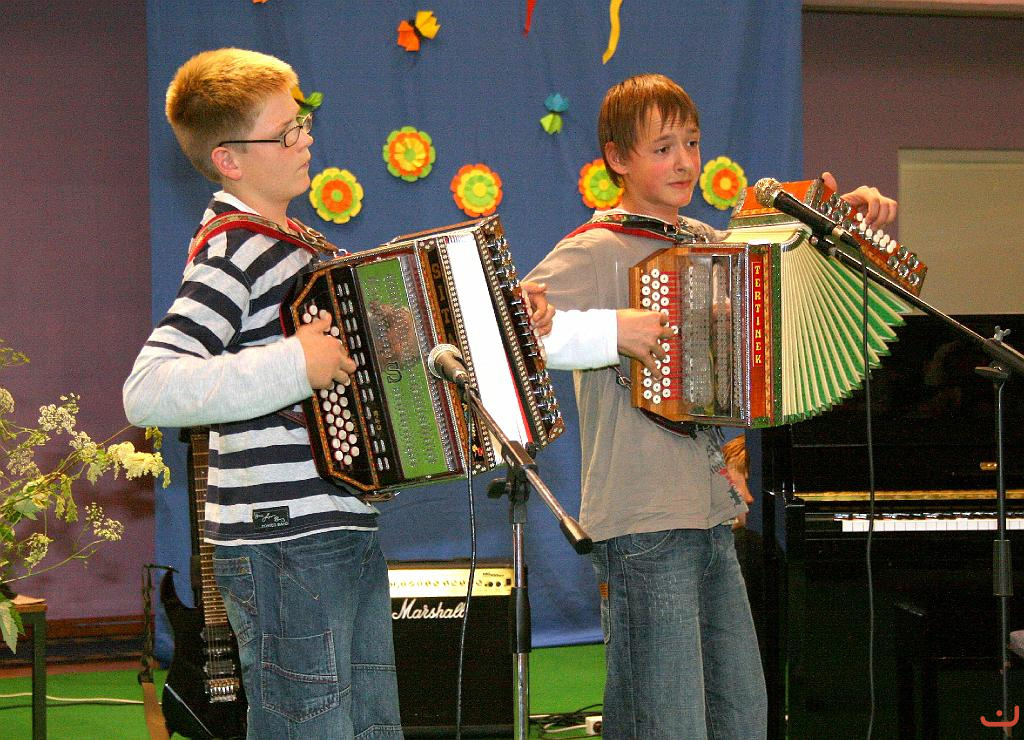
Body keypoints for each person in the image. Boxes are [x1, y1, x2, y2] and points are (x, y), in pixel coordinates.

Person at [123, 48, 551, 739]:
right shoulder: (233, 251)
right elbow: (150, 388)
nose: (306, 140)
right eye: (286, 132)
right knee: (308, 725)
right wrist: (296, 364)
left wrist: (506, 321)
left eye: (303, 123)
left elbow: (374, 360)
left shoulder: (299, 248)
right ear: (230, 159)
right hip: (280, 539)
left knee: (370, 725)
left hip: (338, 524)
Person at [527, 73, 897, 739]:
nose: (684, 162)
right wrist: (611, 330)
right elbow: (512, 332)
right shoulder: (595, 248)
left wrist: (841, 220)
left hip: (710, 515)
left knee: (741, 714)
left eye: (692, 144)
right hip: (642, 520)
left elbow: (781, 262)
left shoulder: (703, 239)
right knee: (666, 721)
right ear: (617, 158)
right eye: (662, 148)